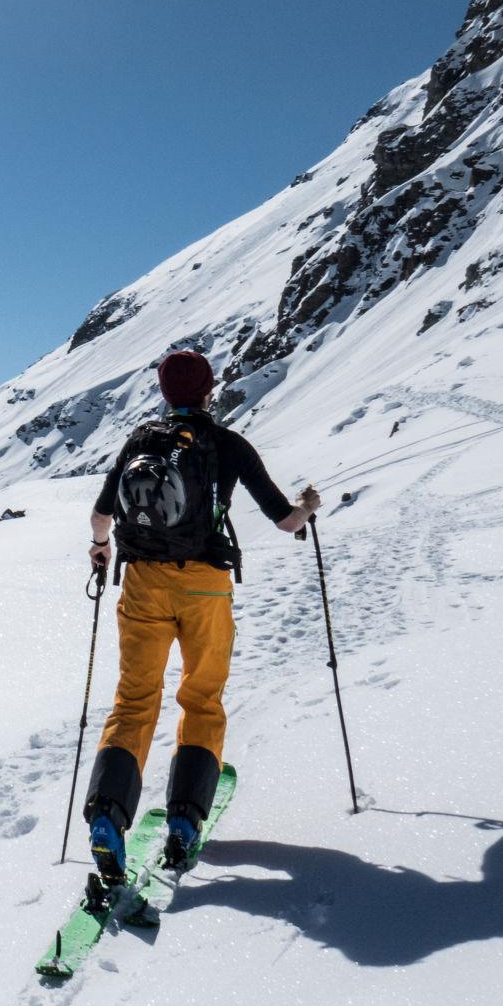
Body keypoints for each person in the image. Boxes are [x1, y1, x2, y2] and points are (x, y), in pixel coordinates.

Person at [82, 349, 318, 875]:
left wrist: (101, 548)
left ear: (164, 393)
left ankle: (106, 818)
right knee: (202, 698)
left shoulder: (140, 442)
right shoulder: (228, 445)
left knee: (134, 700)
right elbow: (284, 521)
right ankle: (185, 822)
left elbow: (102, 516)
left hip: (142, 583)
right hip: (205, 588)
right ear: (210, 390)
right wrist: (308, 507)